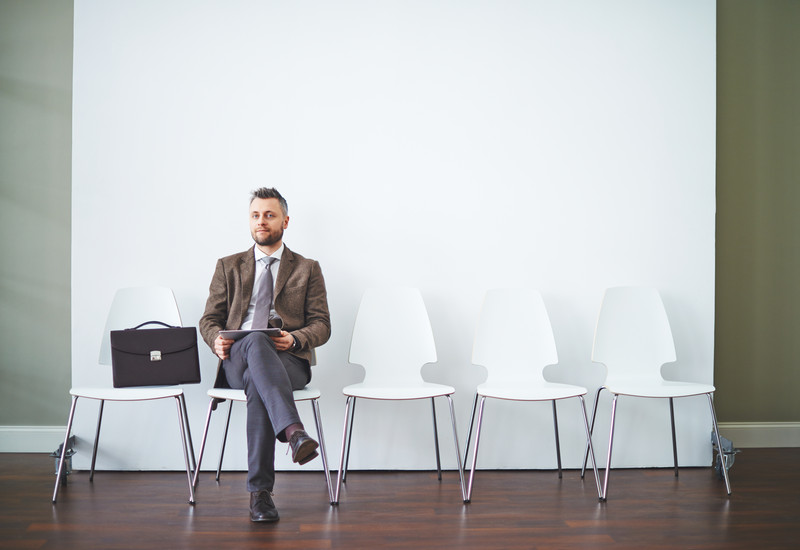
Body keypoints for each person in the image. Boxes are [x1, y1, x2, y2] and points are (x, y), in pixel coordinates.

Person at [199, 187, 331, 522]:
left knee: (260, 384)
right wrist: (215, 339)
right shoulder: (228, 266)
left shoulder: (307, 267)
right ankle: (294, 433)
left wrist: (297, 338)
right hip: (238, 358)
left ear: (285, 221)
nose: (262, 221)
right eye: (256, 215)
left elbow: (322, 324)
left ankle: (260, 495)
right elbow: (209, 319)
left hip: (288, 360)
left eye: (269, 215)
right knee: (256, 341)